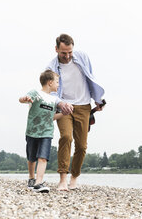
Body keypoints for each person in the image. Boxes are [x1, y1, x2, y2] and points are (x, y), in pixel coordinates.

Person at [47, 34, 105, 191]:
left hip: (84, 106)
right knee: (66, 137)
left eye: (69, 52)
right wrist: (60, 103)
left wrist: (98, 100)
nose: (67, 56)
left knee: (81, 146)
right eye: (63, 53)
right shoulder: (51, 68)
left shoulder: (82, 57)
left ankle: (74, 177)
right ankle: (62, 179)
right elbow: (50, 92)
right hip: (64, 106)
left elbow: (91, 78)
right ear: (56, 49)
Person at [19, 70, 70, 193]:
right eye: (57, 82)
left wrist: (63, 114)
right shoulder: (35, 93)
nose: (58, 85)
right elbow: (21, 99)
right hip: (32, 132)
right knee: (31, 158)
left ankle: (38, 182)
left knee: (43, 158)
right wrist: (25, 98)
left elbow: (51, 117)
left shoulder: (54, 100)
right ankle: (31, 178)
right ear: (50, 82)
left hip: (46, 133)